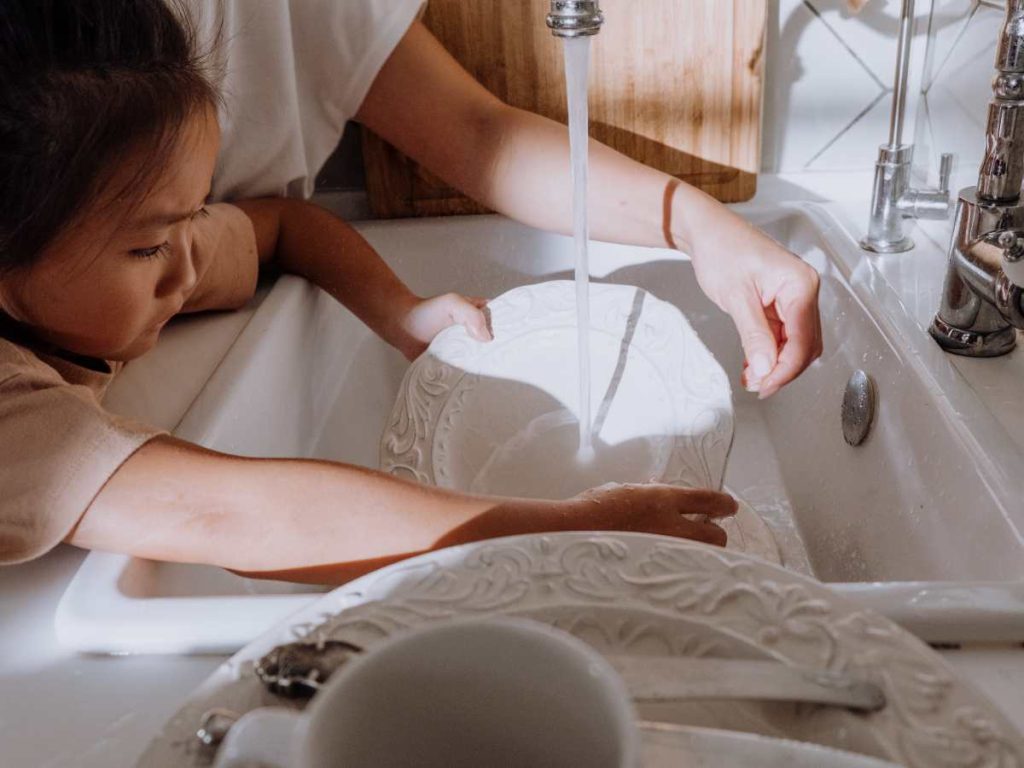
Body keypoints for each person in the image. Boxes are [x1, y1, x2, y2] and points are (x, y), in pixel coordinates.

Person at [0, 0, 816, 583]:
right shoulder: (16, 419)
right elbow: (234, 516)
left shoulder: (129, 252)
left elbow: (280, 225)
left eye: (187, 222)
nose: (187, 266)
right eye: (149, 246)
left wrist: (398, 309)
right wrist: (572, 526)